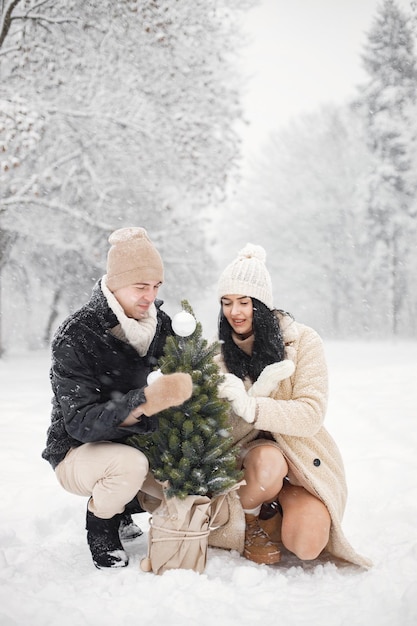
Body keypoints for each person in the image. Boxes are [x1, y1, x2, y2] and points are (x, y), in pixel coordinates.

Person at [210, 243, 371, 568]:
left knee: (308, 545)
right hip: (250, 462)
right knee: (269, 461)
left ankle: (276, 509)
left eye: (245, 302)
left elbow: (311, 413)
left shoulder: (303, 341)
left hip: (300, 456)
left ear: (263, 304)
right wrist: (242, 408)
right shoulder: (218, 356)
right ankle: (251, 519)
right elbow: (221, 431)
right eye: (227, 303)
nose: (235, 312)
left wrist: (254, 406)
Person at [42, 227, 193, 569]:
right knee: (129, 466)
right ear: (114, 283)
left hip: (140, 440)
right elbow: (80, 423)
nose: (149, 296)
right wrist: (145, 400)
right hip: (78, 451)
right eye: (140, 287)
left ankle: (126, 506)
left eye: (156, 287)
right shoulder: (77, 335)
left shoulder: (162, 326)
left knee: (185, 476)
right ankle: (102, 522)